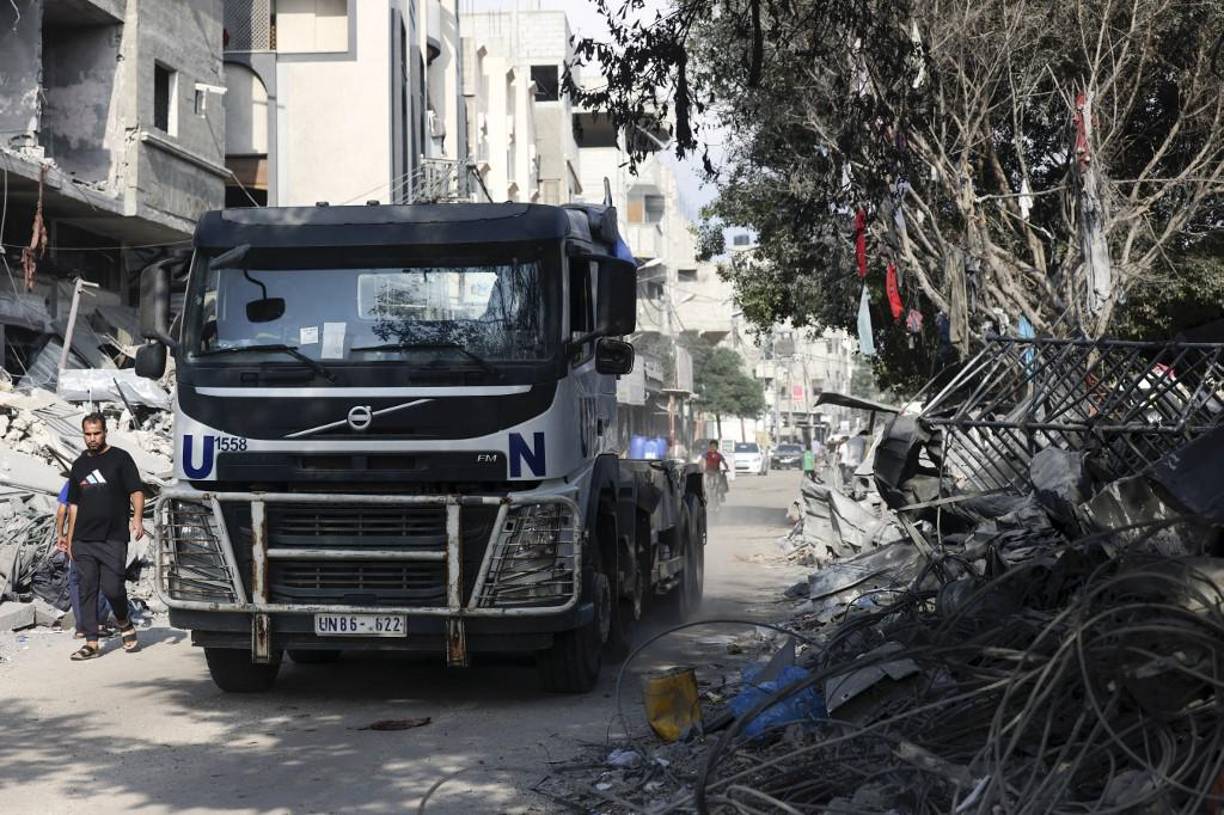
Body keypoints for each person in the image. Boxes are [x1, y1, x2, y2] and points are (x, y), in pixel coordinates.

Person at [65, 413, 145, 660]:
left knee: (112, 588)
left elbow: (136, 491)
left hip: (113, 537)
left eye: (96, 433)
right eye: (88, 434)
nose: (92, 438)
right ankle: (91, 642)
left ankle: (124, 621)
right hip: (83, 539)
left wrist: (137, 519)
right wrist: (69, 538)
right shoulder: (79, 465)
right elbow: (73, 505)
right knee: (87, 588)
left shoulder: (120, 458)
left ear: (105, 432)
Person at [55, 481, 114, 639]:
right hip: (102, 537)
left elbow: (61, 511)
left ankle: (82, 627)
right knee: (101, 578)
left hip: (77, 539)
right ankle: (99, 624)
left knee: (76, 580)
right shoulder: (107, 481)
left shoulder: (73, 482)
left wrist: (60, 535)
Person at [702, 440, 729, 504]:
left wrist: (726, 468)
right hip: (707, 472)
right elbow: (701, 461)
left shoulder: (719, 455)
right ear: (709, 447)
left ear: (717, 447)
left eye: (714, 446)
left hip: (716, 472)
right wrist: (701, 468)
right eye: (711, 446)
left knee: (721, 481)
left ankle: (722, 494)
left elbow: (724, 462)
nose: (713, 448)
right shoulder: (706, 454)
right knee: (703, 483)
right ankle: (704, 495)